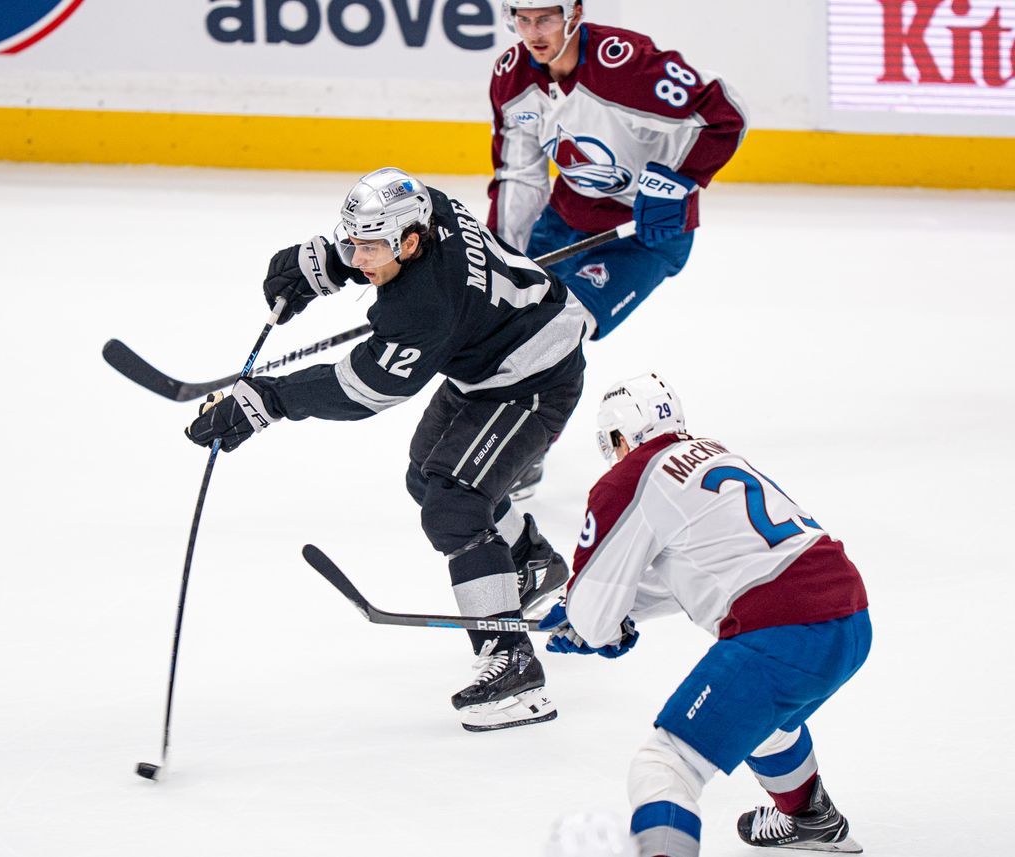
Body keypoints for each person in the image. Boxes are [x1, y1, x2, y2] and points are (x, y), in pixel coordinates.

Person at [185, 167, 585, 731]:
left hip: (532, 378)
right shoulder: (427, 207)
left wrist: (266, 402)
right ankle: (530, 563)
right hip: (490, 357)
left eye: (370, 248)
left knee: (455, 506)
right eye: (354, 241)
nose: (361, 256)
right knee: (426, 477)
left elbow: (363, 390)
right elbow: (377, 245)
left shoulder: (422, 310)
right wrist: (323, 263)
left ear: (411, 241)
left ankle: (513, 663)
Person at [539, 374, 871, 854]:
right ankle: (809, 816)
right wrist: (609, 614)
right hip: (850, 619)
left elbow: (593, 615)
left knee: (664, 767)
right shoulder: (712, 454)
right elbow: (693, 576)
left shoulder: (630, 477)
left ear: (618, 435)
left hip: (783, 633)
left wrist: (591, 621)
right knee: (760, 720)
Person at [488, 0, 748, 497]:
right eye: (522, 19)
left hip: (645, 235)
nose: (532, 32)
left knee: (557, 332)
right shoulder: (511, 77)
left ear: (574, 13)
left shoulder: (623, 63)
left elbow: (723, 112)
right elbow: (519, 172)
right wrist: (504, 254)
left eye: (544, 18)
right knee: (509, 324)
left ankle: (528, 449)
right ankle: (490, 434)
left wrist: (680, 180)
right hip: (566, 219)